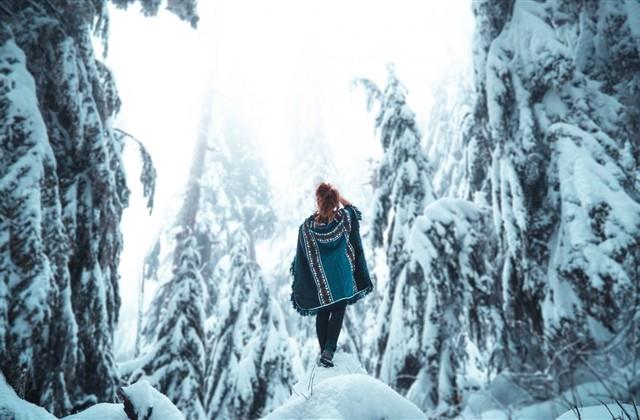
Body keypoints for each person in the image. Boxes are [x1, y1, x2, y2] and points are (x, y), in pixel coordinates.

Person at [289, 182, 374, 368]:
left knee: (323, 310)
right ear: (334, 201)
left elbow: (302, 257)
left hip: (322, 283)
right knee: (338, 309)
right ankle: (329, 351)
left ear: (318, 200)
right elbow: (353, 209)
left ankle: (324, 353)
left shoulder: (307, 228)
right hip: (341, 276)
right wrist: (339, 198)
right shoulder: (343, 219)